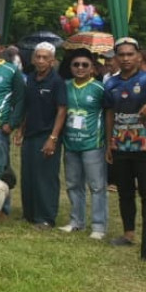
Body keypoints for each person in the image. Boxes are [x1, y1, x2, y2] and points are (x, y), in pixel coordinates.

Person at [103, 37, 146, 262]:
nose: (126, 58)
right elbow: (109, 113)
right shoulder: (110, 83)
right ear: (116, 58)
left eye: (130, 54)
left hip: (145, 146)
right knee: (125, 192)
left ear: (138, 56)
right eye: (122, 55)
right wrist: (109, 141)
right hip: (120, 145)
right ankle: (128, 234)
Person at [14, 42, 67, 230]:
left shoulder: (57, 82)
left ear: (52, 61)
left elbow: (62, 110)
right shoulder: (30, 78)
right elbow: (27, 108)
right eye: (38, 56)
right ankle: (29, 214)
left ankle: (46, 217)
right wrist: (21, 130)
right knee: (28, 175)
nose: (41, 60)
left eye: (45, 57)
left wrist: (53, 138)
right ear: (33, 58)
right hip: (30, 134)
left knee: (45, 176)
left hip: (47, 134)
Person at [59, 48, 107, 239]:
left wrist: (108, 140)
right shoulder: (65, 86)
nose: (80, 68)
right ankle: (76, 221)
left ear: (92, 68)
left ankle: (98, 226)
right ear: (70, 67)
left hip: (92, 144)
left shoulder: (99, 88)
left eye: (84, 65)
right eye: (76, 65)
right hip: (70, 144)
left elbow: (109, 113)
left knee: (96, 186)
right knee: (72, 184)